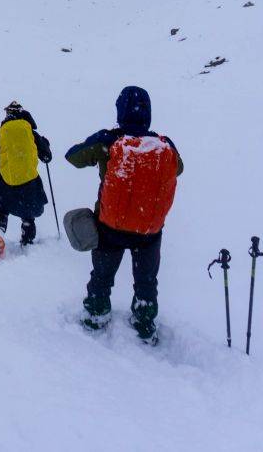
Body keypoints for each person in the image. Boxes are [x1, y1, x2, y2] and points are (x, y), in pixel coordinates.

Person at [65, 86, 183, 342]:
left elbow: (72, 157)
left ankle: (96, 314)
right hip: (149, 230)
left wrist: (104, 141)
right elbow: (179, 168)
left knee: (102, 276)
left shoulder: (109, 141)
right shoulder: (164, 144)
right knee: (146, 281)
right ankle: (144, 321)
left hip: (111, 227)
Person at [0, 102, 52, 246]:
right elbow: (47, 158)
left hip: (5, 179)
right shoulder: (32, 134)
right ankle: (27, 240)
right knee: (28, 215)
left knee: (2, 208)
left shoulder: (0, 133)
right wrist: (45, 144)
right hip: (29, 181)